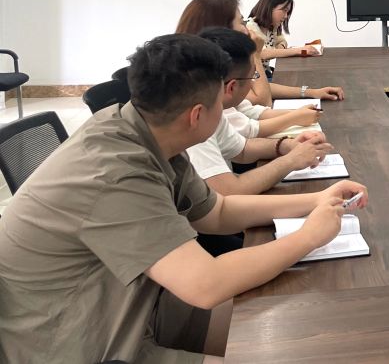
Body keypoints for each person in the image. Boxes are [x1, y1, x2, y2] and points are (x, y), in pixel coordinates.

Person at [0, 34, 369, 363]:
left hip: (131, 305)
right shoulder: (113, 173)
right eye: (221, 102)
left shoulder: (147, 130)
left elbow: (217, 212)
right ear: (197, 115)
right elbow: (205, 284)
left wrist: (318, 200)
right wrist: (308, 237)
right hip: (72, 343)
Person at [188, 28, 333, 197]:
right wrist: (292, 160)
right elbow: (230, 192)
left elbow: (242, 149)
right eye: (254, 76)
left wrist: (287, 145)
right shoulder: (196, 121)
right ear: (232, 87)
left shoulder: (212, 106)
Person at [176, 0, 343, 105]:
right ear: (219, 29)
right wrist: (255, 54)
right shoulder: (208, 83)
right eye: (241, 22)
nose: (245, 29)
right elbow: (263, 101)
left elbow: (257, 88)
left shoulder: (221, 69)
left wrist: (311, 92)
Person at [246, 0, 321, 80]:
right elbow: (263, 53)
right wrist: (300, 50)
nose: (286, 16)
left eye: (287, 12)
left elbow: (283, 41)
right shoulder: (250, 28)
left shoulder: (271, 27)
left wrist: (278, 49)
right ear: (269, 7)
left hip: (265, 74)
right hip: (253, 79)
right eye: (284, 10)